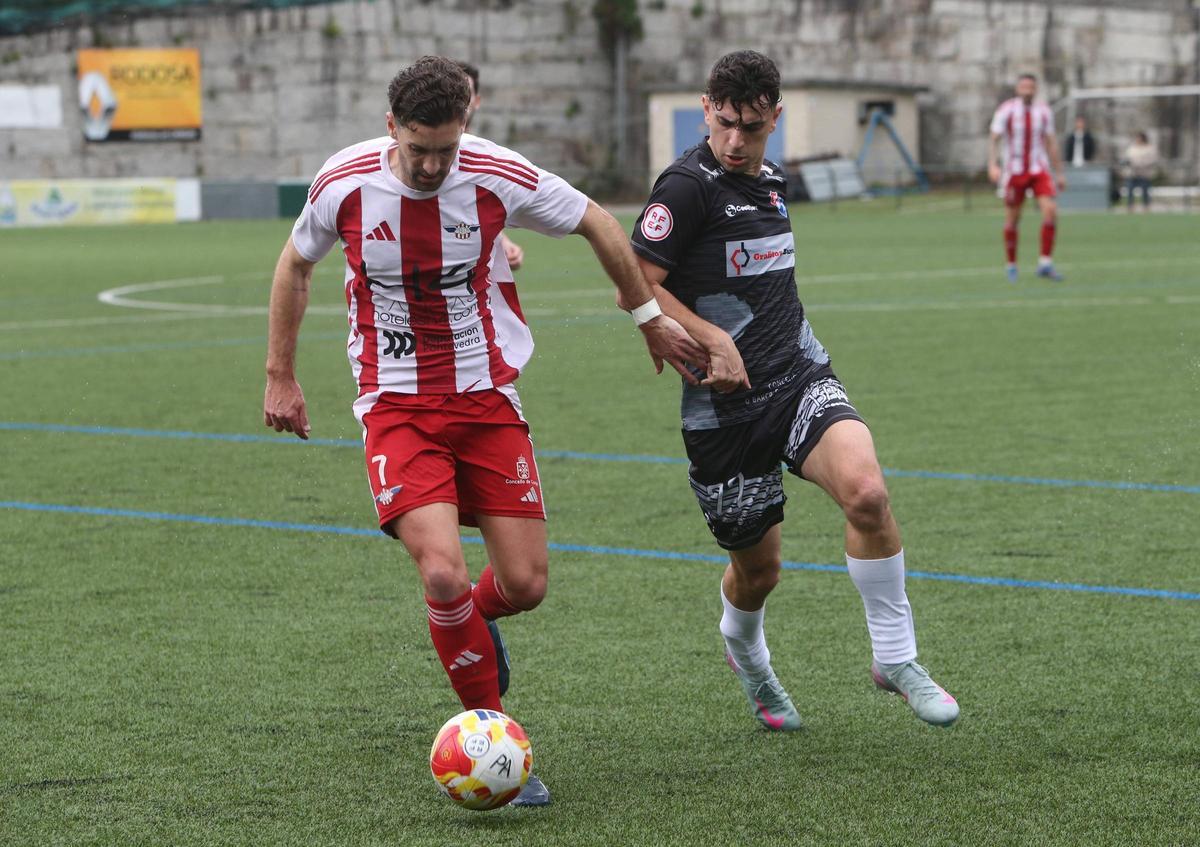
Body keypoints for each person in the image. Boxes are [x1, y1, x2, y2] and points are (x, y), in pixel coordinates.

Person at [263, 55, 705, 805]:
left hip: (486, 399)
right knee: (440, 570)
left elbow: (598, 221)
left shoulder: (496, 171)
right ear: (390, 128)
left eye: (446, 147)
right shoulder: (342, 182)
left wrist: (649, 319)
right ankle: (490, 727)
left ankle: (465, 619)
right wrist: (280, 373)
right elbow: (295, 265)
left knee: (526, 584)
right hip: (394, 403)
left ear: (466, 124)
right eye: (418, 148)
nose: (433, 164)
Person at [625, 50, 959, 731]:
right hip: (721, 408)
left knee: (867, 491)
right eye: (724, 124)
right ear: (706, 110)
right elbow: (637, 279)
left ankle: (895, 656)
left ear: (776, 118)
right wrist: (708, 337)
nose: (737, 141)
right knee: (760, 571)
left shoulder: (775, 180)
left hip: (799, 378)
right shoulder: (686, 188)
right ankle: (746, 652)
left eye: (752, 126)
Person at [988, 73, 1067, 282]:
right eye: (1024, 86)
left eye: (1031, 87)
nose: (1027, 90)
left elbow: (1051, 142)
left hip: (1038, 169)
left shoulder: (1044, 111)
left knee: (1050, 211)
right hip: (1014, 170)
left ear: (1036, 89)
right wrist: (993, 164)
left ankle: (1045, 263)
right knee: (1013, 218)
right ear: (1018, 88)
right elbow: (994, 138)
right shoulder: (1006, 110)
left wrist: (1059, 172)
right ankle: (1012, 264)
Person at [456, 60, 525, 271]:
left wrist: (502, 242)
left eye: (465, 93)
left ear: (477, 101)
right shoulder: (426, 150)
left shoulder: (485, 155)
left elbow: (471, 208)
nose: (460, 101)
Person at [1123, 131, 1158, 212]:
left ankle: (1146, 207)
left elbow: (1153, 160)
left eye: (1139, 138)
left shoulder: (1150, 148)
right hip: (1132, 173)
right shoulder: (1132, 148)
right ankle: (1130, 207)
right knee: (1130, 189)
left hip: (1144, 173)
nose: (1138, 140)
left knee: (1145, 190)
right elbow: (1127, 158)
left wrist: (1141, 164)